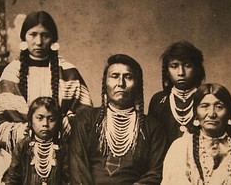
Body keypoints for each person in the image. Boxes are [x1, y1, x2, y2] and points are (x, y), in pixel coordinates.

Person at [0, 11, 92, 153]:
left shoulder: (68, 72)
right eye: (33, 35)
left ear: (53, 39)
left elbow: (85, 114)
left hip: (63, 149)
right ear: (24, 38)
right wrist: (26, 130)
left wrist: (65, 124)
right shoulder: (11, 73)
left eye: (45, 35)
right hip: (20, 150)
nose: (38, 42)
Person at [70, 54, 166, 185]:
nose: (121, 83)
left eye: (128, 77)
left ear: (138, 85)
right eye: (114, 76)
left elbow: (157, 172)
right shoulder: (86, 119)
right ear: (105, 83)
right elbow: (77, 165)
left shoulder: (153, 127)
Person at [161, 83, 231, 185]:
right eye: (204, 106)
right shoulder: (180, 148)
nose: (212, 114)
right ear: (196, 113)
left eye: (219, 107)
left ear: (229, 113)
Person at [148, 41, 205, 153]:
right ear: (167, 71)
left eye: (187, 65)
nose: (181, 72)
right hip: (165, 166)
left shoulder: (206, 98)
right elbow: (152, 142)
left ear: (197, 68)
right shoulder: (159, 101)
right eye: (174, 66)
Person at [3, 96, 69, 184]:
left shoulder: (63, 148)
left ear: (58, 122)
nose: (45, 124)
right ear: (31, 120)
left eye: (51, 119)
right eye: (40, 118)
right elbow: (12, 179)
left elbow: (68, 180)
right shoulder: (22, 146)